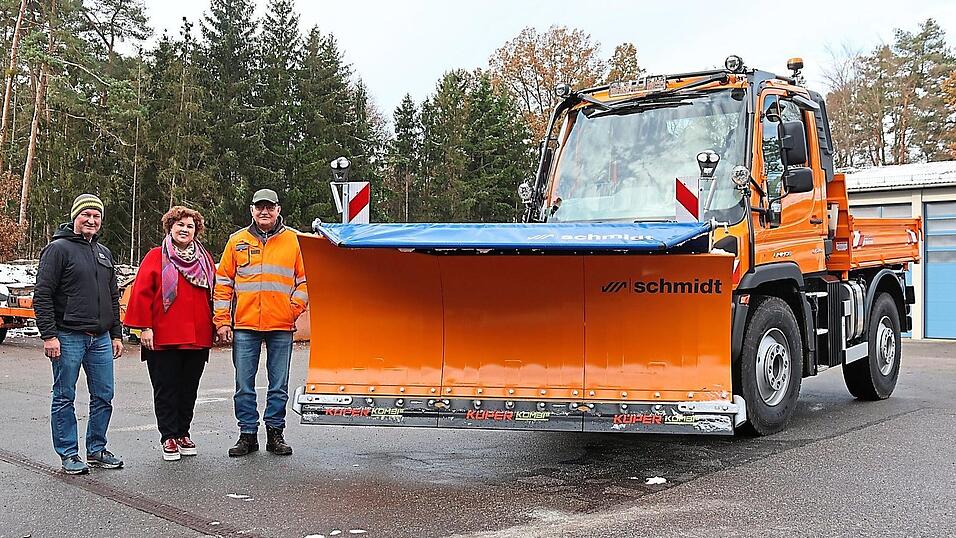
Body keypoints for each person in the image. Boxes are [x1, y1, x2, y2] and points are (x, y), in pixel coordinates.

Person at [33, 194, 124, 474]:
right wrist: (49, 335)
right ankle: (69, 454)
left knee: (104, 395)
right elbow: (43, 295)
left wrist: (116, 334)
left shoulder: (103, 252)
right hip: (68, 335)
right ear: (75, 217)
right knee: (64, 396)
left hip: (100, 338)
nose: (91, 220)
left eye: (96, 216)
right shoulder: (58, 249)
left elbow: (112, 296)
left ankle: (96, 449)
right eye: (86, 215)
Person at [214, 188, 308, 457]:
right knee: (244, 384)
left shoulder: (294, 242)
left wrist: (292, 310)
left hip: (281, 325)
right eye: (259, 207)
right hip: (245, 325)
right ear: (252, 210)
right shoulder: (237, 241)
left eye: (270, 207)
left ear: (278, 210)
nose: (264, 212)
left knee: (278, 384)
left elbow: (304, 282)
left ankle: (275, 433)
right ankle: (247, 434)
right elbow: (223, 284)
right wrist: (222, 321)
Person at [124, 206, 216, 462]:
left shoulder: (205, 259)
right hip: (163, 337)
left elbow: (214, 294)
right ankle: (168, 437)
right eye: (180, 225)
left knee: (189, 389)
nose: (185, 230)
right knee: (166, 389)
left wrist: (218, 324)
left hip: (197, 337)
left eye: (190, 226)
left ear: (196, 231)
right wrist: (144, 327)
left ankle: (183, 433)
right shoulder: (155, 257)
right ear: (170, 227)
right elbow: (141, 293)